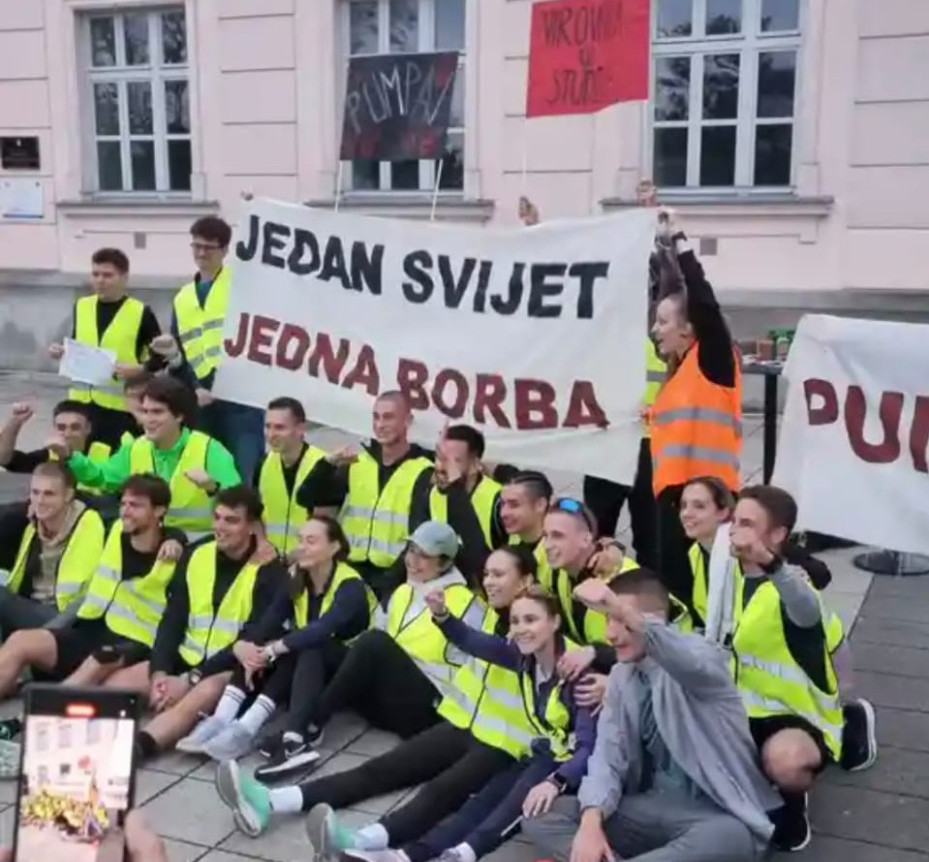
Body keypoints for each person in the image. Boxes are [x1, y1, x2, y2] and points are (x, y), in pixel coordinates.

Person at [213, 545, 537, 837]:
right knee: (377, 771)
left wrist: (443, 617)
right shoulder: (493, 619)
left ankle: (361, 844)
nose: (489, 582)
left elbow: (477, 644)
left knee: (436, 795)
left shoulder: (532, 635)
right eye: (487, 574)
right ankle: (269, 800)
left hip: (501, 747)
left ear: (526, 582)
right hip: (461, 724)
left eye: (499, 575)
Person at [522, 570, 781, 862]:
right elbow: (608, 756)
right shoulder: (621, 677)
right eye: (607, 620)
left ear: (654, 620)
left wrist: (620, 609)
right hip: (649, 810)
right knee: (540, 814)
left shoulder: (701, 654)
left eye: (620, 620)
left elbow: (686, 659)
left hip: (713, 815)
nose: (610, 634)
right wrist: (591, 822)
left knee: (731, 838)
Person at [325, 585, 596, 862]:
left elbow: (589, 747)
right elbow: (471, 641)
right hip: (539, 753)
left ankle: (459, 855)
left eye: (531, 619)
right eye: (515, 621)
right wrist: (442, 614)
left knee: (510, 806)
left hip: (568, 767)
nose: (521, 629)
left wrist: (557, 780)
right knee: (482, 802)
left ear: (555, 622)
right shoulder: (522, 656)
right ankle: (409, 855)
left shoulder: (577, 675)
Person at [729, 485, 877, 851]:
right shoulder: (724, 571)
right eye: (734, 521)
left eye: (747, 524)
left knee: (785, 762)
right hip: (742, 708)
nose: (734, 531)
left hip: (798, 715)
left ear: (777, 535)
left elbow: (806, 609)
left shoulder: (791, 585)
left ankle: (794, 805)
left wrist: (771, 563)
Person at [100, 485, 286, 761]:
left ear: (252, 527)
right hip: (186, 655)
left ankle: (134, 751)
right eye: (217, 518)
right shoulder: (197, 553)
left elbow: (253, 637)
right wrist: (160, 673)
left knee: (199, 695)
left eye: (231, 521)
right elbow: (173, 618)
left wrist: (190, 679)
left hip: (230, 666)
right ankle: (76, 735)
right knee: (117, 685)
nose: (220, 527)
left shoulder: (269, 570)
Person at [0, 476, 183, 736]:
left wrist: (177, 537)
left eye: (136, 505)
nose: (126, 511)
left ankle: (20, 723)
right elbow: (80, 496)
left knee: (100, 665)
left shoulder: (176, 555)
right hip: (93, 627)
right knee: (22, 640)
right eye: (124, 504)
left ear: (159, 511)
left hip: (136, 643)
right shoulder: (117, 529)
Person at [189, 516, 374, 770]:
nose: (302, 547)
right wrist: (243, 649)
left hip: (350, 669)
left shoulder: (350, 584)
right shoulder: (297, 576)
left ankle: (262, 731)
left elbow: (323, 629)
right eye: (300, 540)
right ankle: (223, 720)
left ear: (334, 547)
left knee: (302, 645)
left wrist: (271, 650)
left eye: (311, 541)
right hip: (310, 666)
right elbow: (269, 621)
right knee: (269, 643)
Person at [649, 210, 742, 611]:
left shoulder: (713, 358)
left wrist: (680, 242)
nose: (655, 330)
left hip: (709, 499)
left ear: (689, 329)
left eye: (663, 322)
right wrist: (661, 249)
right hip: (677, 501)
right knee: (677, 594)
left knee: (705, 595)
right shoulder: (683, 370)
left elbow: (703, 302)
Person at [150, 216, 265, 482]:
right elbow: (180, 355)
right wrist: (174, 358)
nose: (201, 253)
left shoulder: (242, 287)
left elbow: (258, 340)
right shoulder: (183, 297)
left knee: (243, 475)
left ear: (224, 250)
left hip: (240, 399)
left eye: (209, 247)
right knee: (207, 474)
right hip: (200, 398)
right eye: (197, 246)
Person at [62, 376, 241, 538]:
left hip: (197, 543)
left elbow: (239, 504)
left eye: (157, 412)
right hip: (149, 542)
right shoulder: (135, 448)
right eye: (145, 412)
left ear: (179, 416)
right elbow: (101, 476)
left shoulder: (210, 449)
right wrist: (70, 456)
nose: (149, 419)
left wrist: (212, 488)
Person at [296, 391, 433, 600]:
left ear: (408, 421)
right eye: (376, 417)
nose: (380, 424)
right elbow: (305, 498)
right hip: (350, 574)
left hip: (393, 580)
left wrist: (389, 586)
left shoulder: (423, 471)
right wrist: (327, 465)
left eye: (388, 417)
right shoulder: (358, 463)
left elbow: (419, 536)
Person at [48, 248, 163, 448]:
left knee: (117, 463)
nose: (100, 280)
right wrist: (60, 351)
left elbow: (162, 357)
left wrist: (141, 369)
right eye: (96, 274)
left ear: (124, 277)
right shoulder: (81, 306)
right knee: (79, 462)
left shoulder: (141, 312)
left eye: (108, 275)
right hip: (80, 407)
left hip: (120, 409)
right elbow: (78, 344)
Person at [0, 462, 105, 634]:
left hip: (62, 616)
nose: (40, 501)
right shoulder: (33, 525)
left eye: (49, 494)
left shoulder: (88, 524)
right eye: (35, 492)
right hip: (30, 604)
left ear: (68, 495)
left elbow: (84, 592)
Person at [254, 397, 327, 554]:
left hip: (309, 558)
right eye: (268, 426)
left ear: (300, 428)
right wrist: (261, 542)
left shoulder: (322, 465)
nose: (271, 434)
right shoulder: (264, 463)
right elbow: (255, 512)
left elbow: (326, 524)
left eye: (279, 428)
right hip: (272, 558)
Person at [0, 399, 116, 498]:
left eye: (75, 427)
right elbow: (3, 458)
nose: (68, 433)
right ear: (54, 429)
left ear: (88, 428)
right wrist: (15, 421)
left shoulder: (109, 453)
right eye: (61, 428)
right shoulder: (49, 455)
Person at [426, 425, 505, 565]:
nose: (441, 467)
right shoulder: (433, 493)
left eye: (454, 461)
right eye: (440, 458)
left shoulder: (499, 501)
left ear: (475, 465)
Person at [500, 471, 554, 585]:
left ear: (540, 505)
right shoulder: (514, 538)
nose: (503, 513)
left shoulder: (559, 551)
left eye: (514, 505)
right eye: (502, 504)